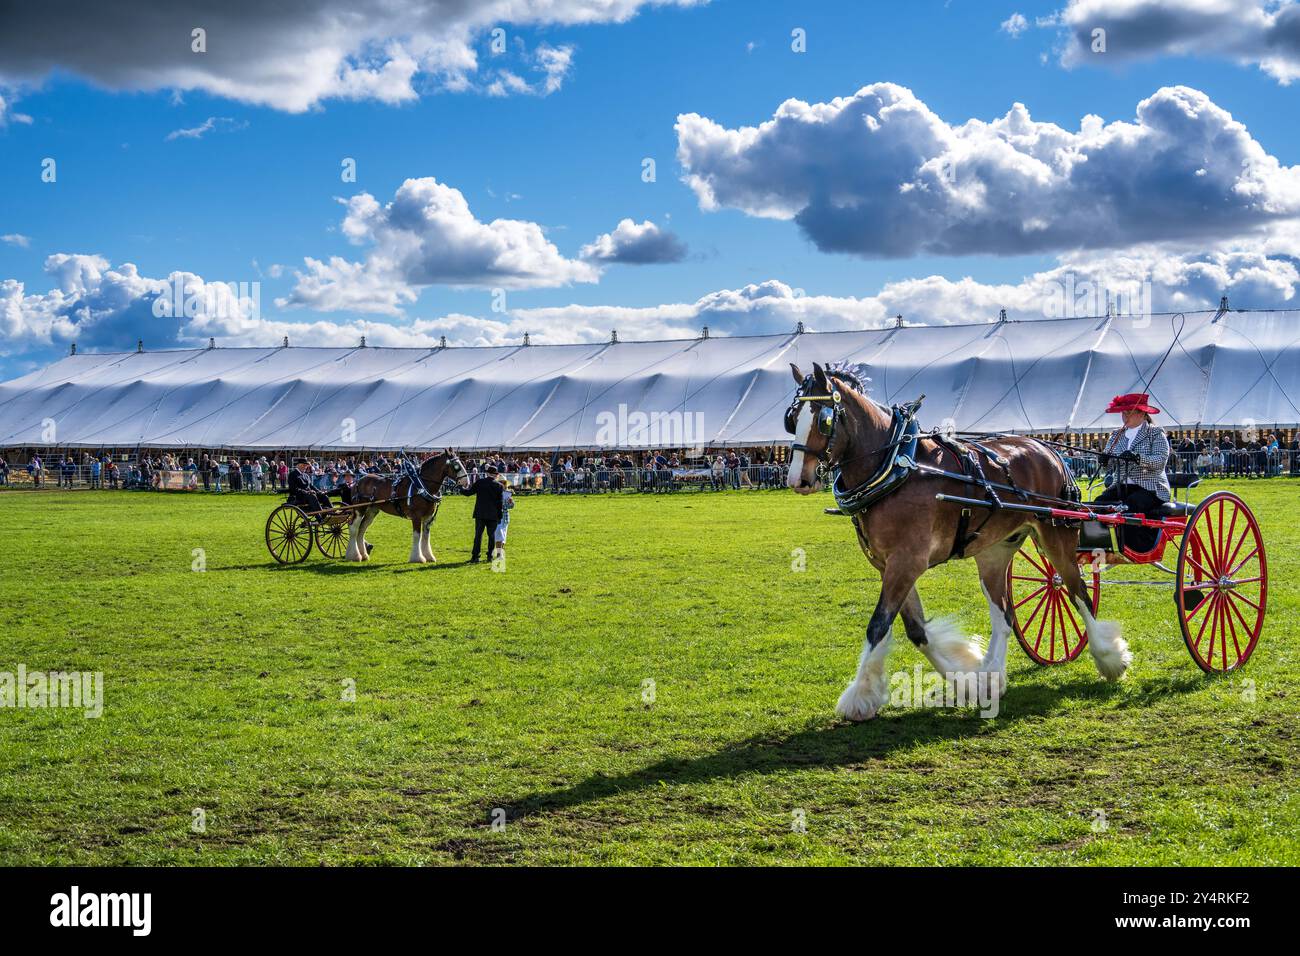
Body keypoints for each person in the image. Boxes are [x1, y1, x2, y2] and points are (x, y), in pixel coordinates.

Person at [1094, 392, 1171, 554]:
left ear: (1142, 413)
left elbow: (1160, 460)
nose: (1125, 417)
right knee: (1097, 505)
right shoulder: (1117, 434)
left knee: (1128, 507)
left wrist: (1138, 458)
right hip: (1121, 486)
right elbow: (1109, 462)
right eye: (1124, 413)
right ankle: (1100, 545)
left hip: (1150, 488)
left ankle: (1136, 545)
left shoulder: (1155, 433)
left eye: (1130, 413)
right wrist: (1104, 460)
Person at [460, 464, 504, 563]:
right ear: (496, 475)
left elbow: (468, 493)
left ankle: (475, 556)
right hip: (493, 514)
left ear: (487, 473)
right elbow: (499, 503)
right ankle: (489, 556)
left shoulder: (480, 482)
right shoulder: (499, 486)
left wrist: (460, 488)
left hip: (480, 513)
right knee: (491, 536)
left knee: (478, 536)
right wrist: (499, 515)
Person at [493, 474, 514, 560]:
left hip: (505, 517)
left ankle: (501, 552)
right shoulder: (494, 493)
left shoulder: (508, 493)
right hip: (497, 516)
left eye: (504, 482)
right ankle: (499, 554)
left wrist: (511, 502)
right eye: (501, 482)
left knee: (503, 535)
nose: (502, 484)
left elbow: (511, 506)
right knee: (499, 534)